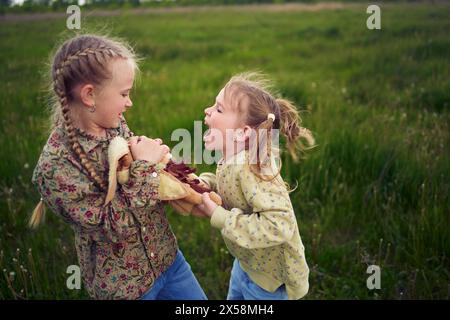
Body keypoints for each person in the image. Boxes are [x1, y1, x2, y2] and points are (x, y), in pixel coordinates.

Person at [30, 34, 207, 300]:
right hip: (125, 289)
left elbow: (136, 178)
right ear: (90, 95)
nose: (129, 102)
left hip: (168, 261)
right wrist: (145, 166)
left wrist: (178, 180)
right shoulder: (56, 168)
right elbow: (110, 228)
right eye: (124, 94)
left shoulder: (116, 125)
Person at [196, 72, 315, 300]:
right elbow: (232, 188)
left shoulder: (254, 169)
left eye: (219, 109)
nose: (208, 110)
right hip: (247, 264)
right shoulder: (233, 159)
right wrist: (206, 184)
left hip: (270, 283)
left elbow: (279, 225)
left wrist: (221, 217)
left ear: (242, 133)